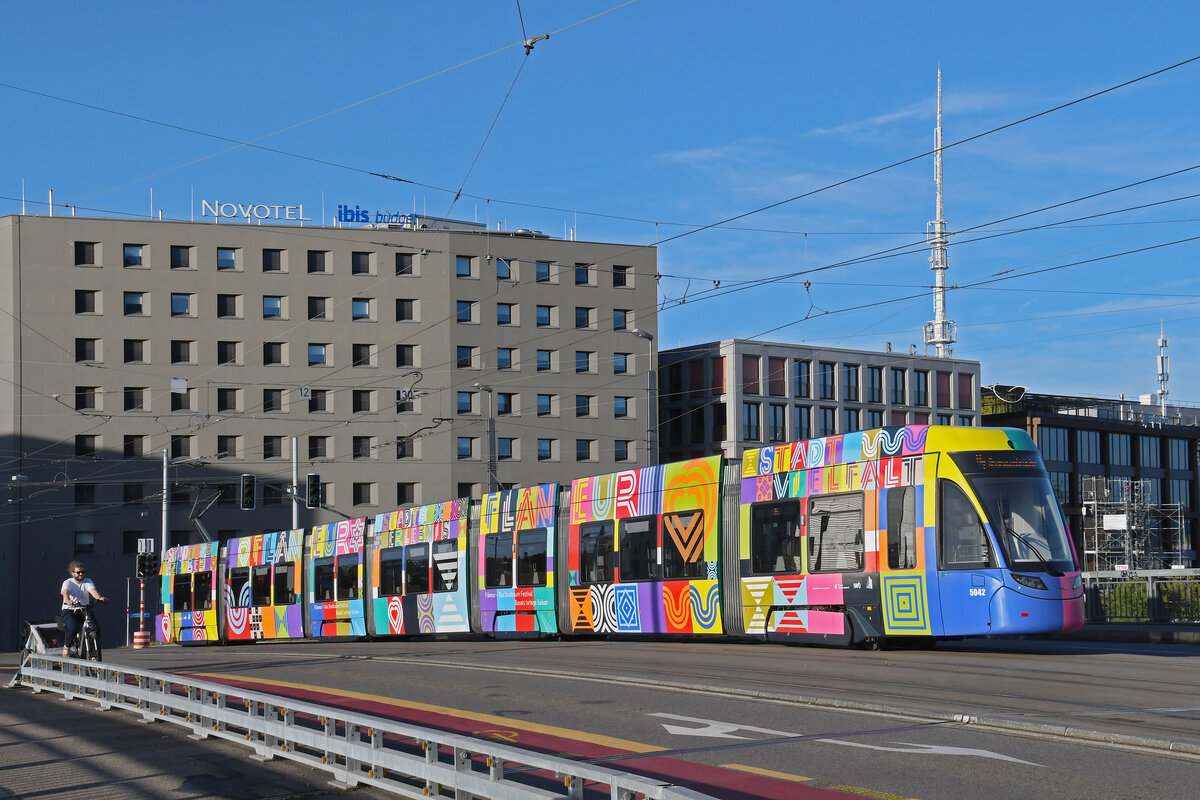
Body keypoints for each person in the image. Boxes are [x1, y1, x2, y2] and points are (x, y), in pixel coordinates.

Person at [60, 561, 105, 658]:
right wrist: (67, 600)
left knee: (95, 629)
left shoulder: (87, 581)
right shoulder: (68, 582)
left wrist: (99, 598)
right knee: (73, 627)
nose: (81, 574)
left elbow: (93, 591)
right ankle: (66, 647)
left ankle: (93, 654)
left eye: (83, 572)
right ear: (73, 573)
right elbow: (65, 592)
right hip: (70, 610)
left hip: (84, 610)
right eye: (78, 572)